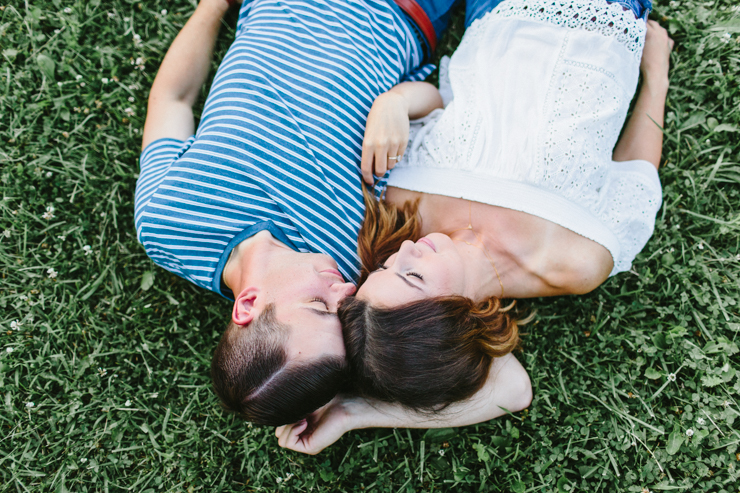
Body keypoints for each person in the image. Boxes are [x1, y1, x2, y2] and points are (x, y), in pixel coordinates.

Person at [275, 0, 673, 452]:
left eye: (383, 270)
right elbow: (636, 166)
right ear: (457, 316)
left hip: (492, 11)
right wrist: (655, 76)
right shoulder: (572, 263)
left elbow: (440, 103)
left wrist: (396, 101)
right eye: (413, 276)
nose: (403, 252)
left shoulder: (405, 208)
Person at [135, 0, 471, 425]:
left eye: (317, 305)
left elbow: (173, 99)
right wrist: (397, 103)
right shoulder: (357, 259)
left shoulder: (167, 220)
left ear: (248, 305)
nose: (345, 295)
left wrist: (213, 6)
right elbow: (508, 387)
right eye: (342, 313)